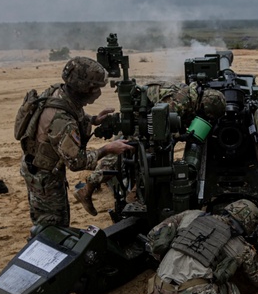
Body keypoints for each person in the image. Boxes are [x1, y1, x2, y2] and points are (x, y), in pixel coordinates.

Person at [73, 82, 226, 216]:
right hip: (139, 121)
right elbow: (162, 129)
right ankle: (91, 189)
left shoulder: (188, 94)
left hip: (146, 117)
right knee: (130, 154)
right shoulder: (180, 101)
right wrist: (181, 135)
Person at [18, 57, 131, 228]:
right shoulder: (61, 120)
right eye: (96, 88)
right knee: (52, 226)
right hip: (44, 178)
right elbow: (77, 162)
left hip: (42, 169)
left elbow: (71, 111)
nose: (98, 93)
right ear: (87, 88)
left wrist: (93, 119)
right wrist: (107, 149)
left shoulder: (60, 91)